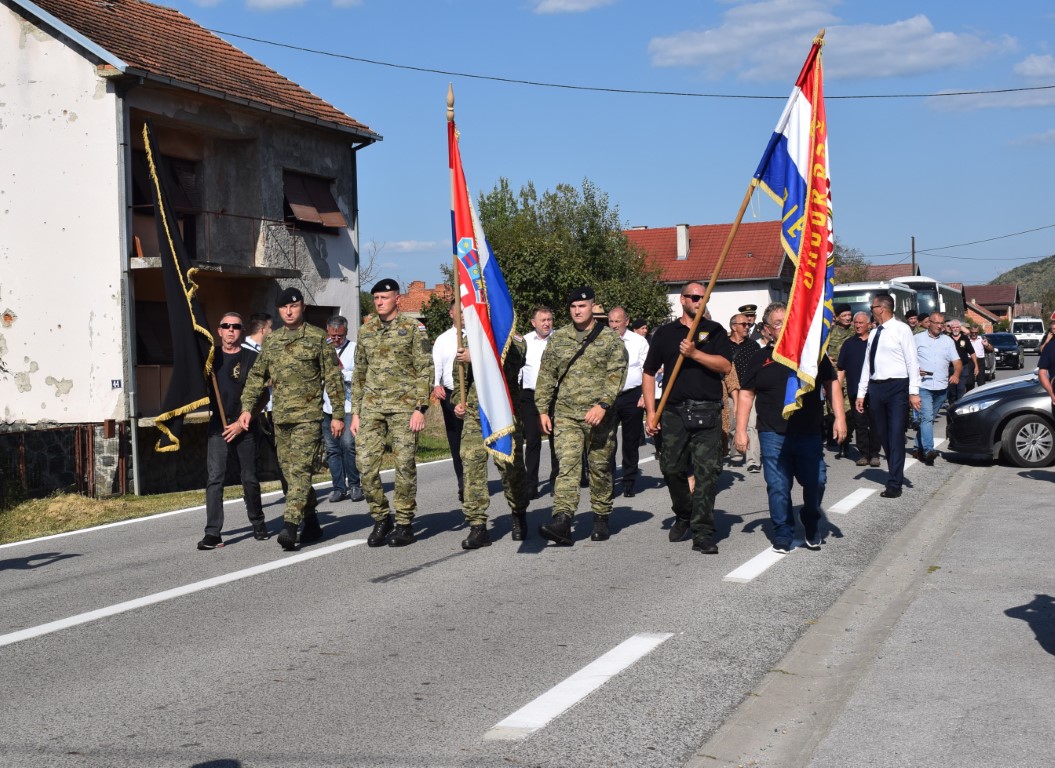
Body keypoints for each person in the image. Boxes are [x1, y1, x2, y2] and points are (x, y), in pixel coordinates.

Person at [239, 288, 345, 550]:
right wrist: (246, 408)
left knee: (298, 472)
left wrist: (339, 415)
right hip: (280, 418)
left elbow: (333, 378)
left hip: (308, 418)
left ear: (302, 308)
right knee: (289, 472)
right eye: (284, 307)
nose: (289, 311)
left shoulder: (318, 338)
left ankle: (290, 525)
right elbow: (256, 377)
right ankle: (311, 523)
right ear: (279, 311)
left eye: (294, 306)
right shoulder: (272, 342)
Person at [735, 302, 846, 552]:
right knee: (778, 486)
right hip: (773, 433)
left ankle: (810, 518)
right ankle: (783, 531)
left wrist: (840, 418)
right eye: (778, 323)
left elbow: (831, 384)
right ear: (767, 330)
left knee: (816, 480)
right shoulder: (759, 358)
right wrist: (741, 431)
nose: (785, 327)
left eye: (789, 321)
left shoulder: (812, 356)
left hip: (808, 432)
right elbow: (745, 394)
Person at [643, 283, 733, 554]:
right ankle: (684, 513)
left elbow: (725, 366)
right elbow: (649, 373)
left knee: (707, 473)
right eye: (694, 297)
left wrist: (695, 353)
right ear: (682, 300)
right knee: (671, 468)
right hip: (673, 412)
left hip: (707, 410)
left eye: (703, 297)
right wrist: (650, 412)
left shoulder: (715, 331)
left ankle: (703, 532)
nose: (699, 300)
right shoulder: (665, 334)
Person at [534, 287, 627, 545]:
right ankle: (562, 520)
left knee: (599, 469)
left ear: (593, 307)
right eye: (573, 306)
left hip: (599, 417)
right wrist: (542, 409)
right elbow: (546, 376)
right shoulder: (559, 338)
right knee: (568, 467)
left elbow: (616, 374)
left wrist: (604, 405)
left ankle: (600, 517)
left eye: (582, 306)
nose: (577, 311)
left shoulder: (609, 339)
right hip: (566, 415)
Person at [351, 279, 433, 548]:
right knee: (364, 465)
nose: (379, 302)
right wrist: (356, 413)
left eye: (384, 298)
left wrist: (420, 408)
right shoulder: (366, 330)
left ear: (397, 299)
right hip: (372, 407)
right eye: (375, 298)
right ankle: (381, 516)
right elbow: (359, 372)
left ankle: (405, 523)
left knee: (404, 465)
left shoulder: (412, 328)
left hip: (404, 408)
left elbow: (424, 368)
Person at [198, 312, 269, 550]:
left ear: (242, 331)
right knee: (215, 479)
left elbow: (263, 396)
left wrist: (241, 423)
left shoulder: (252, 358)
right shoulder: (211, 358)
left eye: (236, 327)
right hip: (218, 425)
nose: (230, 330)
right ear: (219, 331)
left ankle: (258, 523)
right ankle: (213, 533)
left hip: (245, 426)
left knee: (249, 478)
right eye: (225, 326)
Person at [452, 338, 530, 548]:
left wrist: (476, 357)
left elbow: (511, 365)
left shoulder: (513, 339)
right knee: (471, 466)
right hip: (476, 414)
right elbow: (460, 379)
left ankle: (518, 512)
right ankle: (477, 526)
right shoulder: (468, 340)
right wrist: (458, 402)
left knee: (510, 467)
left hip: (504, 414)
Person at [855, 293, 921, 499]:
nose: (871, 310)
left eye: (872, 307)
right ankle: (894, 472)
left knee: (895, 435)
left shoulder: (902, 330)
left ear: (881, 308)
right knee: (883, 434)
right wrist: (861, 393)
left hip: (897, 387)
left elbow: (912, 361)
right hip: (876, 388)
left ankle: (894, 482)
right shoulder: (875, 333)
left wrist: (914, 392)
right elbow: (868, 363)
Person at [607, 306, 649, 497]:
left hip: (632, 395)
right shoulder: (602, 341)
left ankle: (629, 481)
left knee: (630, 441)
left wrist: (645, 396)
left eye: (617, 321)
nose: (614, 326)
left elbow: (647, 370)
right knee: (607, 440)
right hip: (608, 396)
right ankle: (606, 481)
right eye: (611, 321)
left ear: (627, 321)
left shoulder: (639, 341)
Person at [322, 315, 363, 503]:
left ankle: (355, 484)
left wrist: (342, 373)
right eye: (333, 335)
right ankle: (338, 487)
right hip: (327, 406)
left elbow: (361, 374)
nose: (336, 339)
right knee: (332, 448)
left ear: (345, 332)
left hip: (347, 406)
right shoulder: (324, 348)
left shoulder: (354, 349)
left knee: (348, 444)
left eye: (339, 336)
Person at [914, 312, 962, 466]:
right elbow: (908, 360)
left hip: (942, 387)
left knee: (928, 419)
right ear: (929, 323)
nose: (940, 326)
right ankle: (929, 450)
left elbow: (957, 361)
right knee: (927, 418)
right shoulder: (917, 339)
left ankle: (917, 446)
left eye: (942, 323)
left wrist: (956, 374)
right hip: (924, 385)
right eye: (937, 323)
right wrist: (916, 369)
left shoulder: (947, 341)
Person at [519, 305, 557, 498]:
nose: (546, 323)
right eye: (542, 320)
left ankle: (556, 481)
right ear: (533, 323)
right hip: (530, 395)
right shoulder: (524, 341)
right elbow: (518, 369)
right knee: (533, 440)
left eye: (549, 319)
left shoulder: (559, 339)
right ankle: (531, 484)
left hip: (555, 395)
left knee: (556, 440)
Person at [432, 301, 465, 501]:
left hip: (471, 393)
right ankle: (462, 481)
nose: (461, 315)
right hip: (450, 393)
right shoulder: (443, 339)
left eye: (464, 312)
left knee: (471, 439)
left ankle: (474, 478)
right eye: (458, 311)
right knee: (455, 439)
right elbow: (437, 363)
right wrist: (436, 384)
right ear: (451, 313)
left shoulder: (476, 336)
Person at [837, 312, 880, 467]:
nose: (858, 325)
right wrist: (837, 388)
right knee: (860, 423)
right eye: (856, 323)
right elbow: (841, 368)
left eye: (861, 323)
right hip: (855, 390)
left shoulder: (876, 342)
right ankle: (863, 454)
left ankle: (875, 453)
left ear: (869, 324)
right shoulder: (848, 344)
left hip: (874, 390)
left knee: (875, 423)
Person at [727, 312, 761, 471]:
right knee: (733, 425)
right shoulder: (724, 345)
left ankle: (753, 460)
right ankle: (736, 454)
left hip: (750, 391)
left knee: (751, 425)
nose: (748, 327)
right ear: (734, 327)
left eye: (749, 324)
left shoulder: (753, 345)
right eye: (744, 324)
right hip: (730, 391)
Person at [946, 319, 978, 404]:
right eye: (953, 327)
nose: (955, 329)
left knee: (961, 388)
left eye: (957, 327)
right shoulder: (946, 338)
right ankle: (952, 406)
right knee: (952, 390)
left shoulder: (964, 338)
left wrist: (976, 366)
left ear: (960, 328)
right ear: (950, 328)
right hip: (951, 368)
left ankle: (959, 406)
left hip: (964, 367)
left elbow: (972, 353)